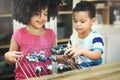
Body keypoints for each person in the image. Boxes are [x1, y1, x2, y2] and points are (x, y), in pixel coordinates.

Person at [4, 0, 61, 79]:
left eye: (45, 14)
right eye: (37, 14)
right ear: (27, 12)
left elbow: (55, 55)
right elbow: (11, 58)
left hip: (46, 77)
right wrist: (7, 56)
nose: (42, 18)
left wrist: (64, 57)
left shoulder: (51, 34)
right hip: (24, 78)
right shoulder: (18, 34)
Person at [65, 1, 104, 69]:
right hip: (78, 71)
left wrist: (81, 51)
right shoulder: (73, 37)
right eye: (75, 21)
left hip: (95, 72)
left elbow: (97, 55)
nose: (78, 24)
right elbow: (72, 55)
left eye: (82, 21)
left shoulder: (96, 37)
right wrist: (68, 56)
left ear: (93, 21)